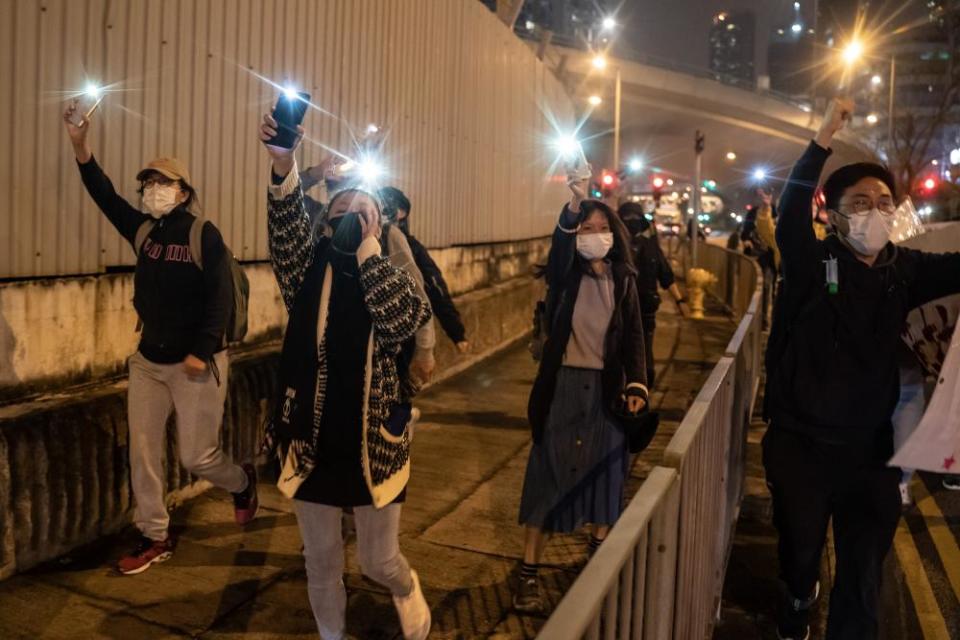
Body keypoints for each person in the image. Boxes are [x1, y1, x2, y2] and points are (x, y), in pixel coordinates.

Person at [762, 97, 960, 640]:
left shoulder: (905, 270)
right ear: (834, 212)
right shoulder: (812, 260)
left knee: (864, 578)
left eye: (884, 201)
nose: (875, 211)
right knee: (800, 551)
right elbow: (789, 214)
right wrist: (822, 137)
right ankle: (800, 597)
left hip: (871, 453)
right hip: (799, 446)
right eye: (861, 201)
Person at [62, 100, 258, 575]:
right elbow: (104, 195)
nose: (152, 190)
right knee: (143, 452)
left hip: (196, 363)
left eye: (162, 183)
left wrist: (202, 350)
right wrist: (80, 144)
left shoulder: (203, 234)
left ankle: (240, 482)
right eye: (147, 183)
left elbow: (220, 299)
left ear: (183, 191)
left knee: (198, 455)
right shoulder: (144, 231)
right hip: (149, 361)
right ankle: (155, 534)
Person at [258, 112, 432, 640]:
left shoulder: (391, 274)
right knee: (322, 562)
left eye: (365, 210)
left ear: (383, 222)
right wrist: (284, 161)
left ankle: (404, 588)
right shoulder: (306, 272)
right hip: (311, 442)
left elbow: (401, 319)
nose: (352, 215)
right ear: (327, 220)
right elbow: (286, 224)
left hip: (372, 443)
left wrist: (371, 251)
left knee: (377, 562)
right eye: (342, 210)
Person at [513, 170, 648, 613]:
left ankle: (596, 560)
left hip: (608, 393)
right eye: (585, 229)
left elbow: (633, 338)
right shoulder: (565, 276)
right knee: (547, 476)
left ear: (614, 233)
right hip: (563, 388)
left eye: (601, 228)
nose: (594, 235)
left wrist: (637, 384)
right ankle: (528, 574)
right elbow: (558, 247)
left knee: (607, 475)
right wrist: (576, 201)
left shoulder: (623, 277)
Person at [378, 186, 470, 354]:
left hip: (402, 336)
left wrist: (456, 332)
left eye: (387, 204)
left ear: (402, 213)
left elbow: (434, 287)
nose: (381, 209)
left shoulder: (412, 248)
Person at [619, 203, 686, 388]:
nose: (631, 224)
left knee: (644, 353)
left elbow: (666, 275)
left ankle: (641, 390)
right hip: (618, 312)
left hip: (645, 311)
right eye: (627, 220)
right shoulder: (613, 248)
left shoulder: (651, 247)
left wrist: (680, 301)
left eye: (635, 220)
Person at [742, 188, 780, 326]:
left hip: (773, 255)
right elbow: (745, 231)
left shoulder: (777, 212)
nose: (764, 198)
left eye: (767, 195)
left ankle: (771, 319)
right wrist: (746, 240)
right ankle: (761, 319)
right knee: (762, 287)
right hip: (757, 256)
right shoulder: (753, 213)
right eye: (761, 195)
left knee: (774, 289)